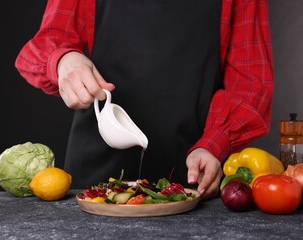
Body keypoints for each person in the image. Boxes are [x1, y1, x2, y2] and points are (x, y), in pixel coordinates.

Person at [15, 0, 273, 199]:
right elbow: (47, 42)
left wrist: (215, 143)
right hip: (96, 180)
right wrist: (62, 61)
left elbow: (250, 82)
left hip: (195, 175)